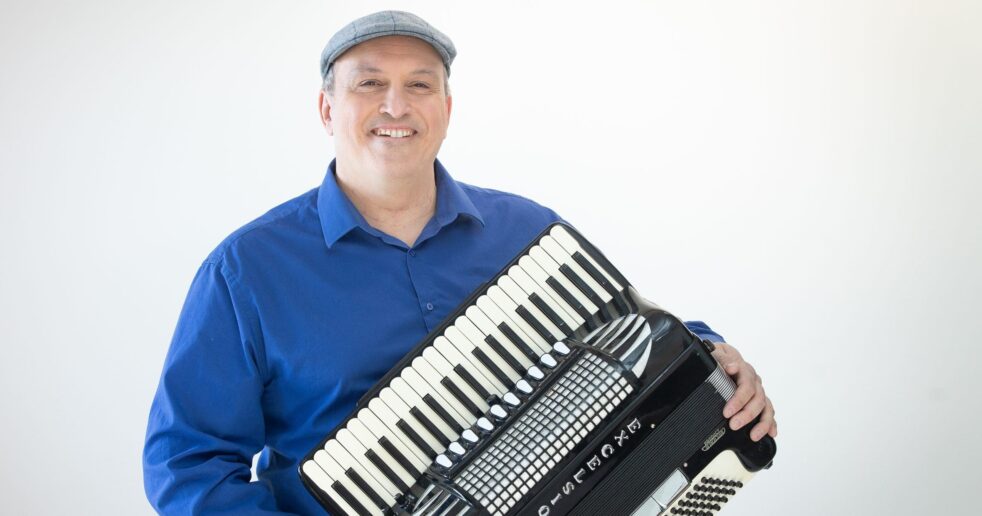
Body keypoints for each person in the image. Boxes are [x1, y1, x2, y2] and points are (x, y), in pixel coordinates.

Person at [143, 10, 777, 515]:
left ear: (446, 110)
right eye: (369, 83)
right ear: (327, 108)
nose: (396, 106)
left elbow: (630, 332)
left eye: (420, 85)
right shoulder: (247, 270)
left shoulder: (527, 230)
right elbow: (188, 463)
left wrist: (718, 358)